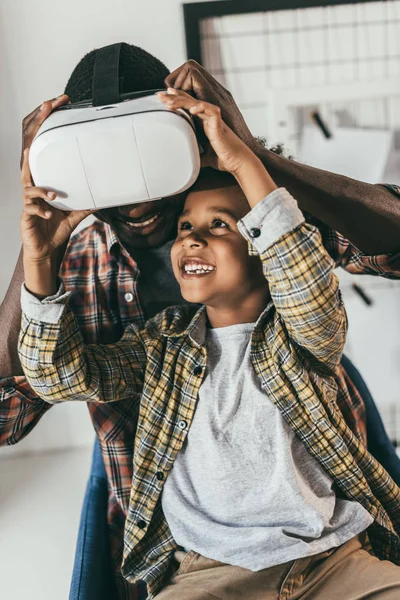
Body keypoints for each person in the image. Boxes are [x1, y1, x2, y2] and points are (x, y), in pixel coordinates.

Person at [1, 43, 400, 598]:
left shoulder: (249, 208)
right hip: (192, 536)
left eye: (217, 226)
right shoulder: (143, 327)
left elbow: (334, 263)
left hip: (322, 510)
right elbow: (16, 408)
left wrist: (250, 156)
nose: (141, 205)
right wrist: (36, 256)